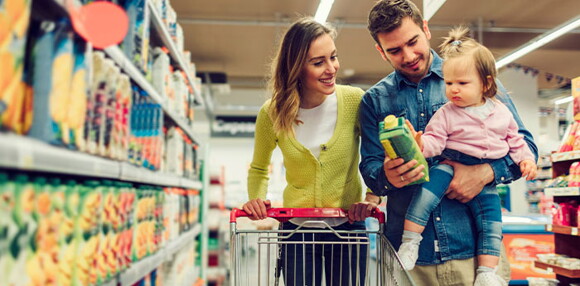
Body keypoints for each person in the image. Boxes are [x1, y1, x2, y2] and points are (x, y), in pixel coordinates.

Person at [349, 0, 538, 285]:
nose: (409, 55)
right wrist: (386, 176)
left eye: (413, 41)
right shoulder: (375, 101)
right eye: (394, 50)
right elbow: (372, 170)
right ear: (381, 51)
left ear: (425, 29)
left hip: (475, 252)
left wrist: (484, 173)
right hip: (411, 259)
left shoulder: (472, 75)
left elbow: (524, 145)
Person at [396, 26, 538, 286]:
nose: (453, 90)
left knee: (491, 223)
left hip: (485, 178)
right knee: (424, 197)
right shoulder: (447, 113)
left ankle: (486, 271)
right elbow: (435, 141)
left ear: (486, 83)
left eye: (462, 83)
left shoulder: (501, 111)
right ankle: (410, 242)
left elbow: (516, 140)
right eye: (449, 83)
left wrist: (525, 159)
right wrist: (419, 145)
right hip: (448, 164)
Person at [242, 17, 367, 286]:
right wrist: (256, 199)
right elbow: (259, 168)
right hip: (297, 232)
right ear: (297, 67)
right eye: (318, 62)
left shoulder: (354, 100)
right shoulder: (273, 112)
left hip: (348, 228)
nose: (331, 68)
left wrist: (374, 196)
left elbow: (375, 155)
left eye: (333, 57)